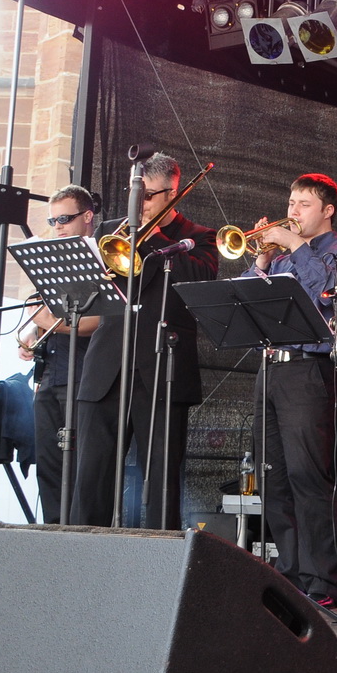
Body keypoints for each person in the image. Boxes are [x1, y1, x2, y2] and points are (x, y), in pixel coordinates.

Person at [73, 152, 219, 530]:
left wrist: (156, 239)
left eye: (148, 195)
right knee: (92, 475)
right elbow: (89, 293)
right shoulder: (110, 231)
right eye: (135, 193)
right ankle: (82, 550)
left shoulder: (199, 237)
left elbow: (201, 284)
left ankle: (159, 557)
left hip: (162, 367)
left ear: (172, 194)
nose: (140, 203)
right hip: (107, 365)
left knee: (161, 477)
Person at [235, 174, 337, 608]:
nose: (293, 211)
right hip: (269, 370)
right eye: (291, 202)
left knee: (309, 477)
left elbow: (327, 293)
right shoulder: (281, 258)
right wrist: (262, 262)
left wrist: (294, 245)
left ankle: (325, 581)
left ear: (327, 210)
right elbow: (244, 303)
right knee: (272, 477)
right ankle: (289, 574)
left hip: (310, 370)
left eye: (303, 204)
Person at [18, 184, 101, 522]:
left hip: (81, 374)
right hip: (51, 372)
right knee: (48, 465)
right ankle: (52, 534)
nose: (58, 227)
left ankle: (78, 538)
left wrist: (45, 321)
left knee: (79, 468)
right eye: (53, 221)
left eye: (64, 219)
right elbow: (47, 316)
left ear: (88, 216)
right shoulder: (53, 258)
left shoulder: (100, 256)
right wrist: (34, 333)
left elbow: (97, 322)